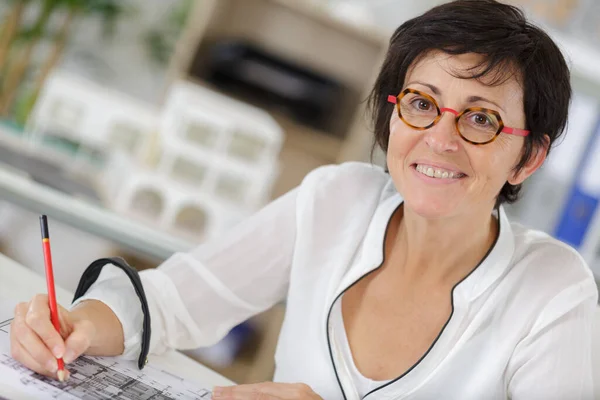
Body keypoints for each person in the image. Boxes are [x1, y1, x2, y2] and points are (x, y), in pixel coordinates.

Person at [9, 0, 598, 399]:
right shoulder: (337, 198)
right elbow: (169, 303)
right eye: (422, 102)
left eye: (480, 119)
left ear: (529, 157)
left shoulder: (551, 290)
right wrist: (77, 324)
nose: (440, 139)